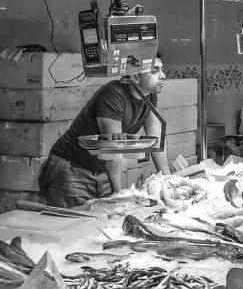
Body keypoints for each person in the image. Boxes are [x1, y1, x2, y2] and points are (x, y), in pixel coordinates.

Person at [38, 54, 170, 208]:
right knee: (73, 223)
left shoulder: (149, 96)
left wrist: (167, 179)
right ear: (135, 76)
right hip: (72, 170)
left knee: (104, 222)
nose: (163, 76)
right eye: (155, 71)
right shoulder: (113, 94)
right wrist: (117, 192)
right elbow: (111, 145)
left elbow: (156, 137)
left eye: (162, 69)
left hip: (102, 171)